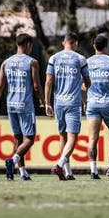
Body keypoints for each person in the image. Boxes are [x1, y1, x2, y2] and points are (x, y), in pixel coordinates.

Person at [0, 33, 45, 181]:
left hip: (11, 105)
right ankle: (12, 161)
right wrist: (44, 101)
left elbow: (0, 86)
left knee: (18, 139)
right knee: (30, 139)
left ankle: (22, 173)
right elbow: (36, 86)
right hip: (25, 106)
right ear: (27, 45)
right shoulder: (32, 62)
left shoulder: (6, 63)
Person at [45, 32, 91, 180]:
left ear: (63, 43)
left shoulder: (54, 58)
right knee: (73, 137)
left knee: (62, 137)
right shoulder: (80, 58)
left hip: (58, 102)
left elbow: (49, 81)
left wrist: (47, 103)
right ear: (75, 44)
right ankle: (59, 166)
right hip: (73, 103)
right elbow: (87, 81)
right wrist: (83, 87)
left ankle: (68, 172)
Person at [85, 35, 109, 180]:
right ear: (106, 46)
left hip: (92, 104)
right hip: (108, 104)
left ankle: (93, 171)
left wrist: (85, 100)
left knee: (92, 138)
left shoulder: (87, 62)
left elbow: (84, 84)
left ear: (94, 46)